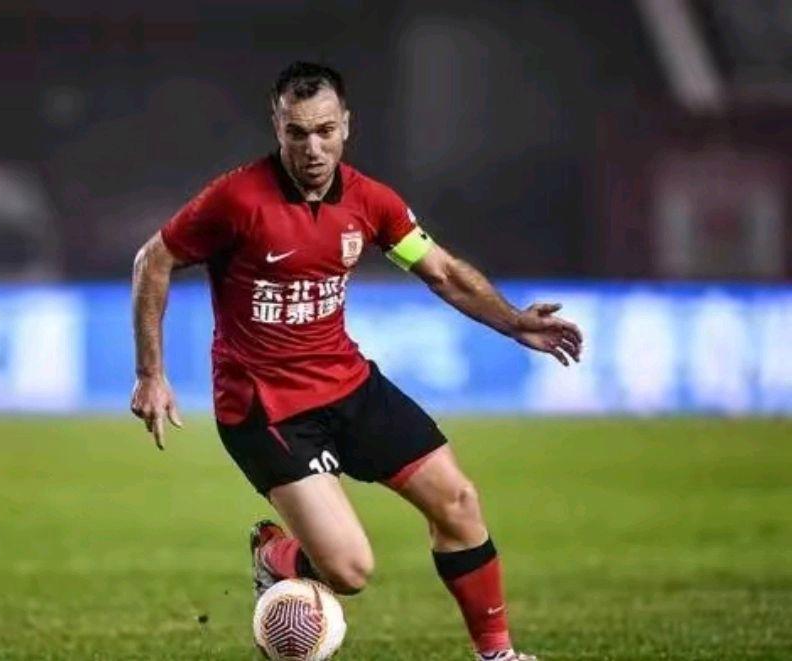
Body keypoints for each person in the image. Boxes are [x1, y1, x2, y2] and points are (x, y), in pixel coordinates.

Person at [130, 61, 582, 661]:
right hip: (266, 409)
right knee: (349, 571)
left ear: (346, 124)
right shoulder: (236, 200)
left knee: (458, 503)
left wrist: (514, 321)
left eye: (324, 131)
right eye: (297, 133)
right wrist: (151, 373)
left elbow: (442, 273)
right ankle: (276, 554)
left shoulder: (372, 202)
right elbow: (153, 261)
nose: (312, 148)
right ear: (277, 127)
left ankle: (496, 654)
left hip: (348, 385)